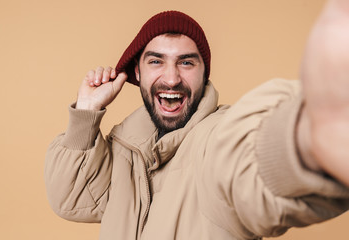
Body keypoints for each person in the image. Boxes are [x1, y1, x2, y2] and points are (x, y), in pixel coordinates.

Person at [45, 1, 349, 239]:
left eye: (186, 62)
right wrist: (86, 113)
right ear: (137, 73)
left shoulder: (215, 138)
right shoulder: (125, 152)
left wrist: (309, 138)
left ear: (205, 75)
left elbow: (246, 165)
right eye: (156, 61)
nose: (172, 78)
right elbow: (72, 198)